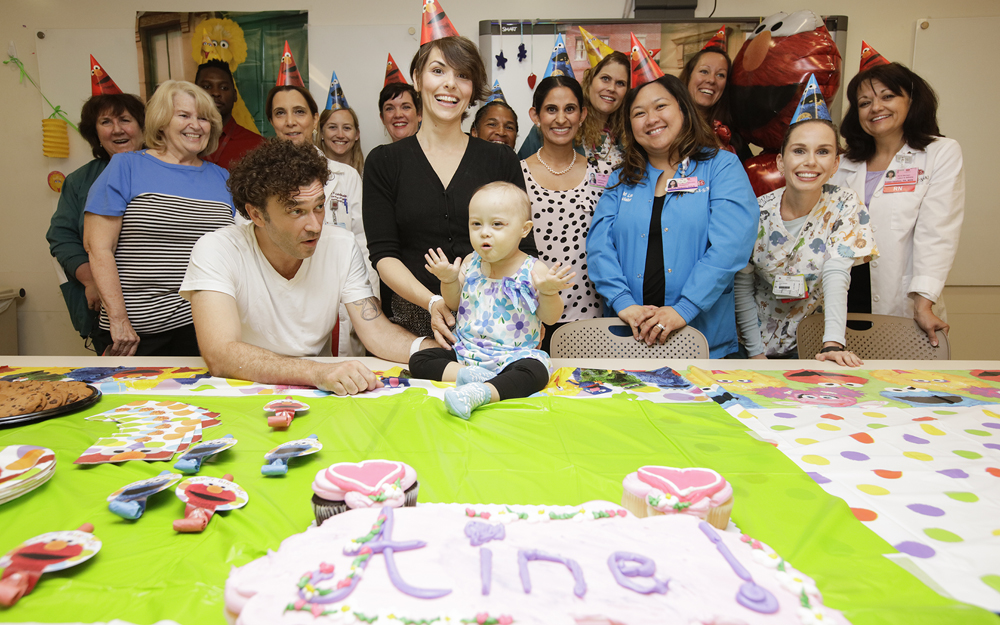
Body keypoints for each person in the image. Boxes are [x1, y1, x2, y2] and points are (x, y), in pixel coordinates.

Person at [181, 139, 435, 395]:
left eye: (319, 207)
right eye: (296, 212)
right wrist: (316, 372)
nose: (315, 225)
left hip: (314, 390)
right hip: (242, 387)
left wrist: (439, 351)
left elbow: (377, 332)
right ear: (256, 214)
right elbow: (220, 353)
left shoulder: (341, 245)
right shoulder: (217, 250)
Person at [364, 35, 536, 347]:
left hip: (496, 322)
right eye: (438, 71)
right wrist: (432, 302)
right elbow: (383, 255)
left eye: (463, 75)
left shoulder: (500, 159)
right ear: (418, 78)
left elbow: (524, 248)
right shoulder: (384, 162)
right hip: (409, 325)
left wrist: (531, 312)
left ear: (472, 89)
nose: (450, 84)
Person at [586, 74, 758, 358]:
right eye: (639, 113)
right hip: (629, 337)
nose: (651, 119)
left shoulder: (721, 167)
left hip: (703, 339)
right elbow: (599, 246)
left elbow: (732, 245)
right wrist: (623, 302)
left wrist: (685, 308)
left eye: (660, 106)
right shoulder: (621, 178)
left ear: (683, 109)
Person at [83, 80, 234, 357]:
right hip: (136, 331)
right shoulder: (126, 166)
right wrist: (118, 320)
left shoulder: (223, 178)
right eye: (184, 115)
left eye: (203, 118)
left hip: (203, 325)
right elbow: (99, 248)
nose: (196, 125)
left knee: (202, 400)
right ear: (162, 121)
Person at [410, 182, 573, 419]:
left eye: (497, 224)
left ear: (524, 229)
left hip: (515, 357)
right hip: (467, 355)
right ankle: (468, 377)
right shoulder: (470, 263)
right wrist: (448, 281)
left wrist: (548, 293)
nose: (484, 232)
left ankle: (482, 392)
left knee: (536, 372)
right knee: (419, 359)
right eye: (476, 224)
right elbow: (455, 304)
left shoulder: (534, 270)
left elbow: (550, 318)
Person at [831, 62, 964, 347]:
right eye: (864, 102)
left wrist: (924, 301)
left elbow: (937, 232)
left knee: (901, 384)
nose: (876, 107)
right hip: (845, 294)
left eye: (888, 96)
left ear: (912, 100)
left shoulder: (939, 153)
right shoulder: (842, 164)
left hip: (904, 296)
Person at [735, 119, 878, 367]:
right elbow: (742, 285)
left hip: (812, 345)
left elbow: (837, 274)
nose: (810, 161)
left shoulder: (844, 205)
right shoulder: (756, 211)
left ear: (835, 164)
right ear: (781, 162)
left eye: (822, 151)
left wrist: (832, 344)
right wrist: (754, 352)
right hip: (747, 343)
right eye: (799, 150)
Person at [266, 83, 374, 357]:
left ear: (315, 119)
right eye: (280, 113)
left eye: (299, 112)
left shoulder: (345, 176)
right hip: (279, 298)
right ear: (271, 121)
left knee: (341, 379)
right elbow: (244, 242)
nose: (290, 121)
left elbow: (363, 243)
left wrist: (370, 298)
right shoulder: (260, 180)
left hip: (338, 300)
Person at [521, 76, 614, 351]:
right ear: (535, 116)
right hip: (529, 314)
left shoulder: (603, 174)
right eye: (551, 109)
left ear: (583, 114)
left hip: (589, 316)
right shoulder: (515, 173)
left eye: (570, 109)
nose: (561, 119)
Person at [47, 92, 145, 346]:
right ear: (95, 133)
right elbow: (62, 236)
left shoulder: (166, 171)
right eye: (105, 122)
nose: (117, 130)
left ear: (143, 127)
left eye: (125, 119)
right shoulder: (80, 181)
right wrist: (91, 279)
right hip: (108, 313)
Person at [517, 51, 630, 168]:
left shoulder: (629, 136)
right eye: (605, 79)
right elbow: (517, 175)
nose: (612, 88)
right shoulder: (554, 128)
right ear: (590, 81)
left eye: (620, 83)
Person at [679, 47, 750, 161]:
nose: (711, 80)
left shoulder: (732, 136)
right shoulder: (668, 127)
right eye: (704, 71)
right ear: (689, 75)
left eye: (720, 75)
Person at [195, 59, 264, 170]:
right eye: (207, 87)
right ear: (194, 93)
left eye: (224, 88)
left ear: (235, 95)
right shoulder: (183, 141)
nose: (216, 93)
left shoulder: (257, 146)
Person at [317, 107, 364, 175]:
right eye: (332, 127)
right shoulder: (309, 173)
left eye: (347, 128)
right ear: (321, 133)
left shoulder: (368, 174)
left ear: (356, 134)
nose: (340, 135)